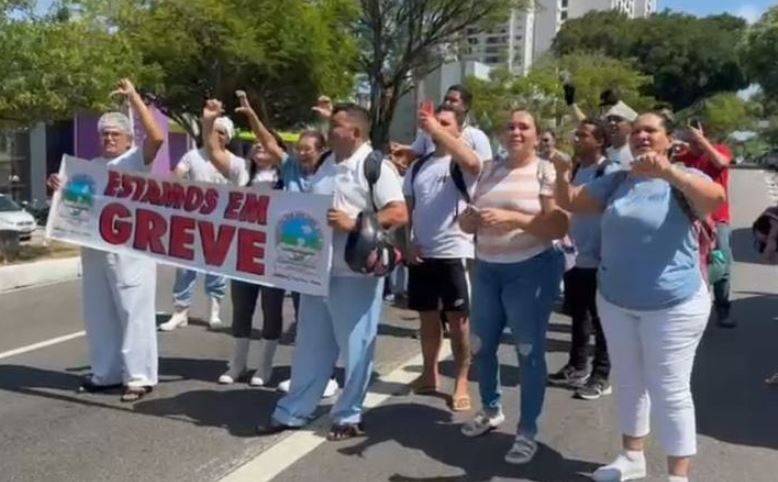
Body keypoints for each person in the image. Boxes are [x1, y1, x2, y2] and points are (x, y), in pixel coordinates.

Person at [553, 112, 725, 482]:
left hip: (674, 305)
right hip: (616, 301)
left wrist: (668, 172)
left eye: (652, 130)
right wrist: (559, 169)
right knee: (630, 383)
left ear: (667, 139)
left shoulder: (687, 178)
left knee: (669, 389)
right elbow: (571, 202)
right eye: (637, 131)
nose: (642, 136)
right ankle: (632, 456)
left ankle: (678, 475)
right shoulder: (617, 181)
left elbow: (714, 199)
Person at [258, 103, 408, 440]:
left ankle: (348, 415)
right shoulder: (326, 162)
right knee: (310, 347)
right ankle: (293, 410)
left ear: (354, 133)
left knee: (355, 349)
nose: (329, 129)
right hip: (316, 272)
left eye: (336, 124)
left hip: (355, 274)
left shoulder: (374, 166)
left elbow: (398, 213)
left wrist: (354, 223)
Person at [457, 109, 568, 465]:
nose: (516, 131)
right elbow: (465, 223)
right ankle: (491, 410)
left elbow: (556, 228)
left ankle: (527, 431)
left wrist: (513, 218)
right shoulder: (490, 169)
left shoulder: (545, 171)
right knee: (481, 345)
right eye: (510, 126)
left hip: (531, 271)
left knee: (528, 351)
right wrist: (469, 220)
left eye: (524, 127)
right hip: (488, 268)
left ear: (537, 135)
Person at [46, 79, 166, 402]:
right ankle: (106, 373)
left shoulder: (134, 162)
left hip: (131, 252)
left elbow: (157, 137)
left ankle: (139, 377)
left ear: (128, 139)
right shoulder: (90, 168)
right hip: (96, 251)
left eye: (116, 134)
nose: (110, 138)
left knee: (133, 312)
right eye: (105, 134)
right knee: (99, 314)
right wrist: (58, 186)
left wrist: (135, 98)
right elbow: (73, 206)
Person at [403, 103, 482, 411]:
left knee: (459, 321)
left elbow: (474, 163)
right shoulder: (417, 167)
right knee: (427, 319)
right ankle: (429, 373)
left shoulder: (462, 163)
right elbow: (408, 210)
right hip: (423, 253)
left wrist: (434, 128)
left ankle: (461, 381)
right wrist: (407, 243)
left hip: (455, 252)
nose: (437, 127)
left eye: (445, 123)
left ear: (458, 130)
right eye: (435, 123)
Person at [547, 120, 614, 400]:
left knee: (602, 321)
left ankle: (601, 375)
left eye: (583, 135)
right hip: (574, 255)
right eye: (577, 134)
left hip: (599, 257)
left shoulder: (608, 171)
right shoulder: (575, 169)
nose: (576, 138)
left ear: (599, 141)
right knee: (578, 315)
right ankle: (577, 366)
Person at [158, 117, 236, 331]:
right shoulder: (192, 156)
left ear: (228, 138)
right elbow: (177, 176)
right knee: (184, 269)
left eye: (222, 132)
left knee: (217, 269)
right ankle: (180, 312)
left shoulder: (233, 162)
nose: (217, 135)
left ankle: (214, 313)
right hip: (190, 222)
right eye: (214, 130)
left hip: (219, 225)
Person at [675, 121, 736, 328]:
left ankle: (723, 309)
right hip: (690, 221)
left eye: (695, 135)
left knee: (721, 264)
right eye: (689, 136)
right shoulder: (684, 156)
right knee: (691, 264)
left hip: (718, 221)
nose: (692, 141)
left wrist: (701, 141)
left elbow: (721, 162)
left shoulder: (718, 150)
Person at [392, 84, 493, 166]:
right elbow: (415, 153)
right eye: (446, 99)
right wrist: (401, 150)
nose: (447, 103)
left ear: (465, 106)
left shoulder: (477, 136)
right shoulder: (428, 133)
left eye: (453, 101)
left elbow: (486, 170)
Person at [604, 101, 638, 169]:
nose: (612, 123)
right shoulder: (604, 153)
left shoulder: (635, 153)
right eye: (609, 120)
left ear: (631, 126)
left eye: (618, 120)